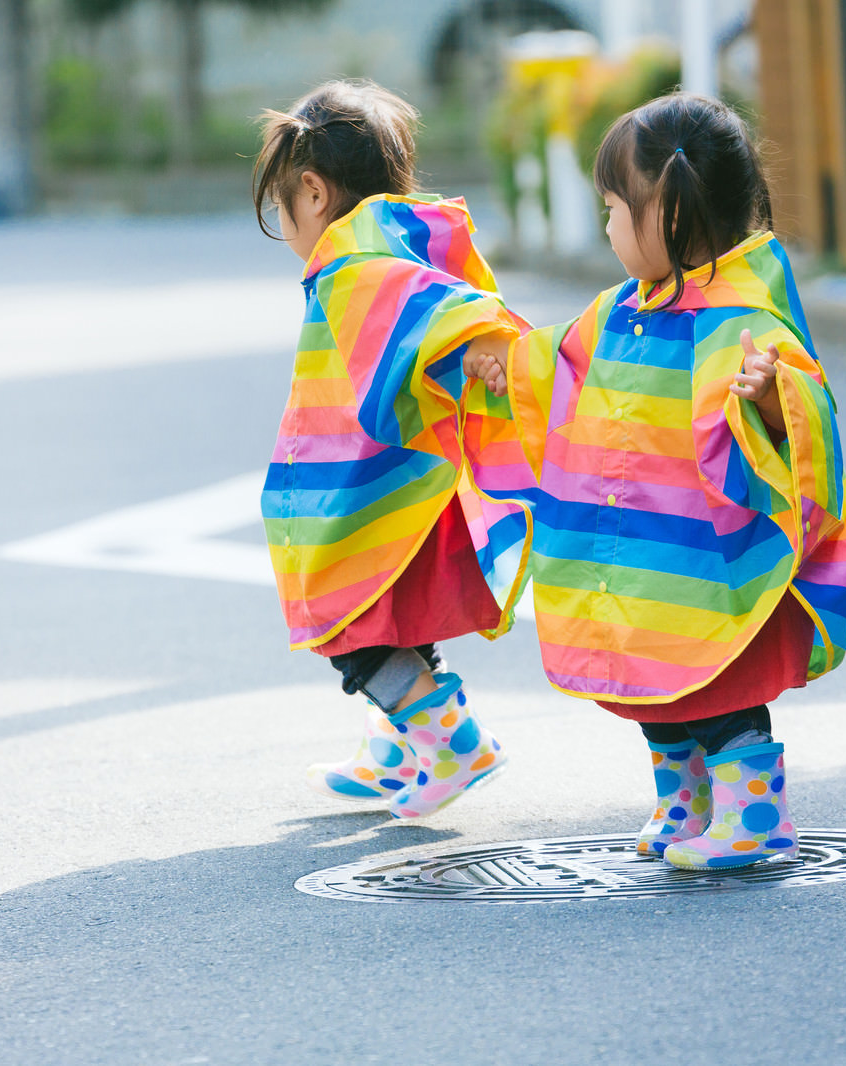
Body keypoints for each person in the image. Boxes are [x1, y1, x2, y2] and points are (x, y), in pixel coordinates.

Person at [468, 92, 846, 869]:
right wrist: (500, 364)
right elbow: (557, 368)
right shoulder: (615, 310)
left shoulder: (741, 323)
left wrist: (773, 403)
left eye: (616, 209)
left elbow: (804, 420)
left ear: (671, 220)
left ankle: (753, 815)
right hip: (638, 557)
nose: (609, 227)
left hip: (708, 567)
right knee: (655, 685)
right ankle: (688, 802)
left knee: (722, 693)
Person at [251, 80, 534, 820]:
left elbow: (429, 307)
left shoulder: (357, 263)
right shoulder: (400, 237)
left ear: (311, 191)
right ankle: (395, 748)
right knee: (392, 621)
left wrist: (470, 340)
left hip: (366, 492)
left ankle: (451, 742)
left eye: (281, 206)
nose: (287, 224)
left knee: (349, 625)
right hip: (412, 487)